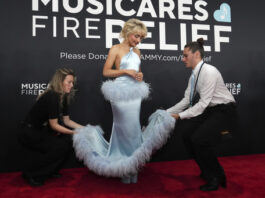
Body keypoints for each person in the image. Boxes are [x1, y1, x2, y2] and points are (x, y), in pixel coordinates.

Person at [73, 18, 175, 184]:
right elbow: (106, 72)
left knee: (134, 128)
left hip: (135, 95)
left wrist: (140, 75)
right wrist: (125, 71)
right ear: (128, 32)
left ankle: (131, 167)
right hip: (120, 95)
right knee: (123, 129)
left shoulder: (137, 52)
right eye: (136, 36)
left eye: (141, 38)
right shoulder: (116, 48)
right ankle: (123, 165)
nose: (138, 40)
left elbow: (138, 73)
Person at [167, 38, 237, 191]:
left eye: (185, 55)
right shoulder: (194, 75)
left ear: (196, 54)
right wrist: (166, 113)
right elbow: (187, 99)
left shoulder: (209, 71)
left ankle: (217, 176)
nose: (182, 59)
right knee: (187, 136)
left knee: (199, 139)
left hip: (225, 110)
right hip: (211, 110)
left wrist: (179, 116)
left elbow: (203, 103)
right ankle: (206, 171)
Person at [18, 68, 84, 186]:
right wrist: (75, 133)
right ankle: (32, 174)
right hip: (28, 132)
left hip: (39, 130)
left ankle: (49, 171)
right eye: (69, 82)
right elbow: (54, 126)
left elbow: (67, 121)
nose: (72, 85)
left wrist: (85, 129)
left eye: (72, 82)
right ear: (60, 82)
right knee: (60, 146)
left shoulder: (62, 96)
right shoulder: (52, 96)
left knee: (66, 142)